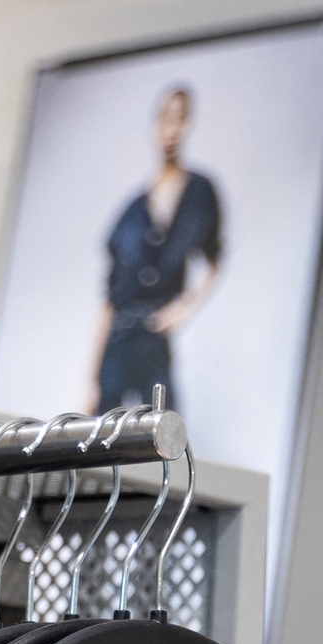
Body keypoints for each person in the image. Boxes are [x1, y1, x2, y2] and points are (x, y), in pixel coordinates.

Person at [89, 83, 222, 417]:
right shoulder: (131, 211)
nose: (171, 130)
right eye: (164, 119)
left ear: (188, 125)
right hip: (118, 341)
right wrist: (90, 380)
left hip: (153, 340)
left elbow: (214, 259)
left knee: (163, 436)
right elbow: (109, 299)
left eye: (179, 119)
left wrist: (185, 307)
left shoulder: (200, 192)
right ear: (153, 127)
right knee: (100, 440)